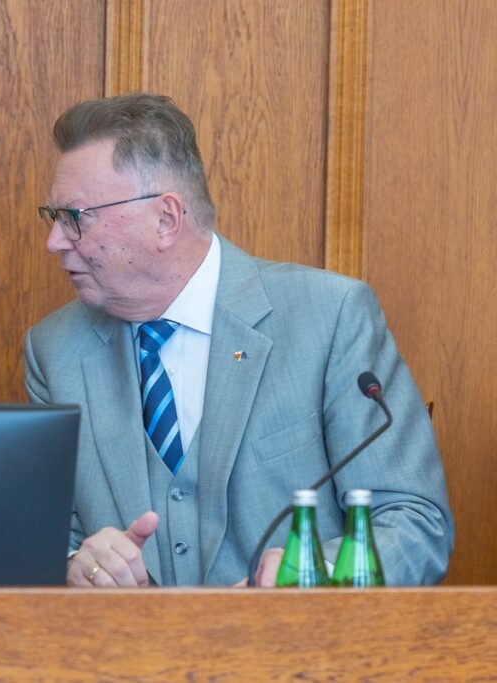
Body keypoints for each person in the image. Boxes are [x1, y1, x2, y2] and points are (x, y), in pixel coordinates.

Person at [25, 93, 453, 587]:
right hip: (130, 659)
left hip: (296, 656)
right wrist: (78, 567)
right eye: (52, 217)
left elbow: (415, 521)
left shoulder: (330, 316)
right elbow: (51, 543)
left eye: (75, 217)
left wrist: (314, 574)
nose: (54, 241)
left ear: (166, 219)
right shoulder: (54, 351)